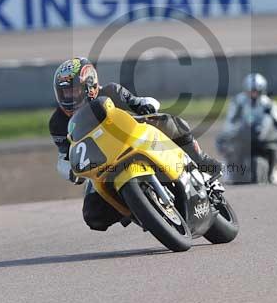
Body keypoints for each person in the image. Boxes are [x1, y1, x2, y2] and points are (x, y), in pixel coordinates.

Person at [49, 57, 224, 231]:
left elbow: (138, 102)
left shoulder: (111, 91)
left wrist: (145, 106)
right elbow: (65, 155)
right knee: (93, 216)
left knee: (170, 123)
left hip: (135, 140)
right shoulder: (57, 122)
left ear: (89, 85)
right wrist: (71, 171)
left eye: (73, 91)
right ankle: (138, 208)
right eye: (64, 93)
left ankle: (201, 162)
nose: (68, 97)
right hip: (103, 166)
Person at [217, 73, 277, 184]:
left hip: (262, 136)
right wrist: (234, 131)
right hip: (243, 135)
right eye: (251, 91)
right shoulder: (238, 102)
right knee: (229, 149)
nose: (253, 94)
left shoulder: (269, 104)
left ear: (262, 90)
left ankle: (272, 171)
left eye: (256, 91)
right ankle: (231, 174)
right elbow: (229, 123)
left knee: (275, 147)